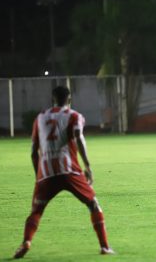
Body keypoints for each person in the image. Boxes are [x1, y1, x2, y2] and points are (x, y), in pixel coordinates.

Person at [13, 86, 114, 259]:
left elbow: (32, 152)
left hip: (46, 173)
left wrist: (39, 175)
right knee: (93, 204)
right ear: (69, 99)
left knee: (36, 211)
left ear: (52, 99)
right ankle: (104, 247)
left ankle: (26, 242)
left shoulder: (40, 118)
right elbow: (78, 138)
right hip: (70, 171)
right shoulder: (74, 116)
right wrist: (88, 166)